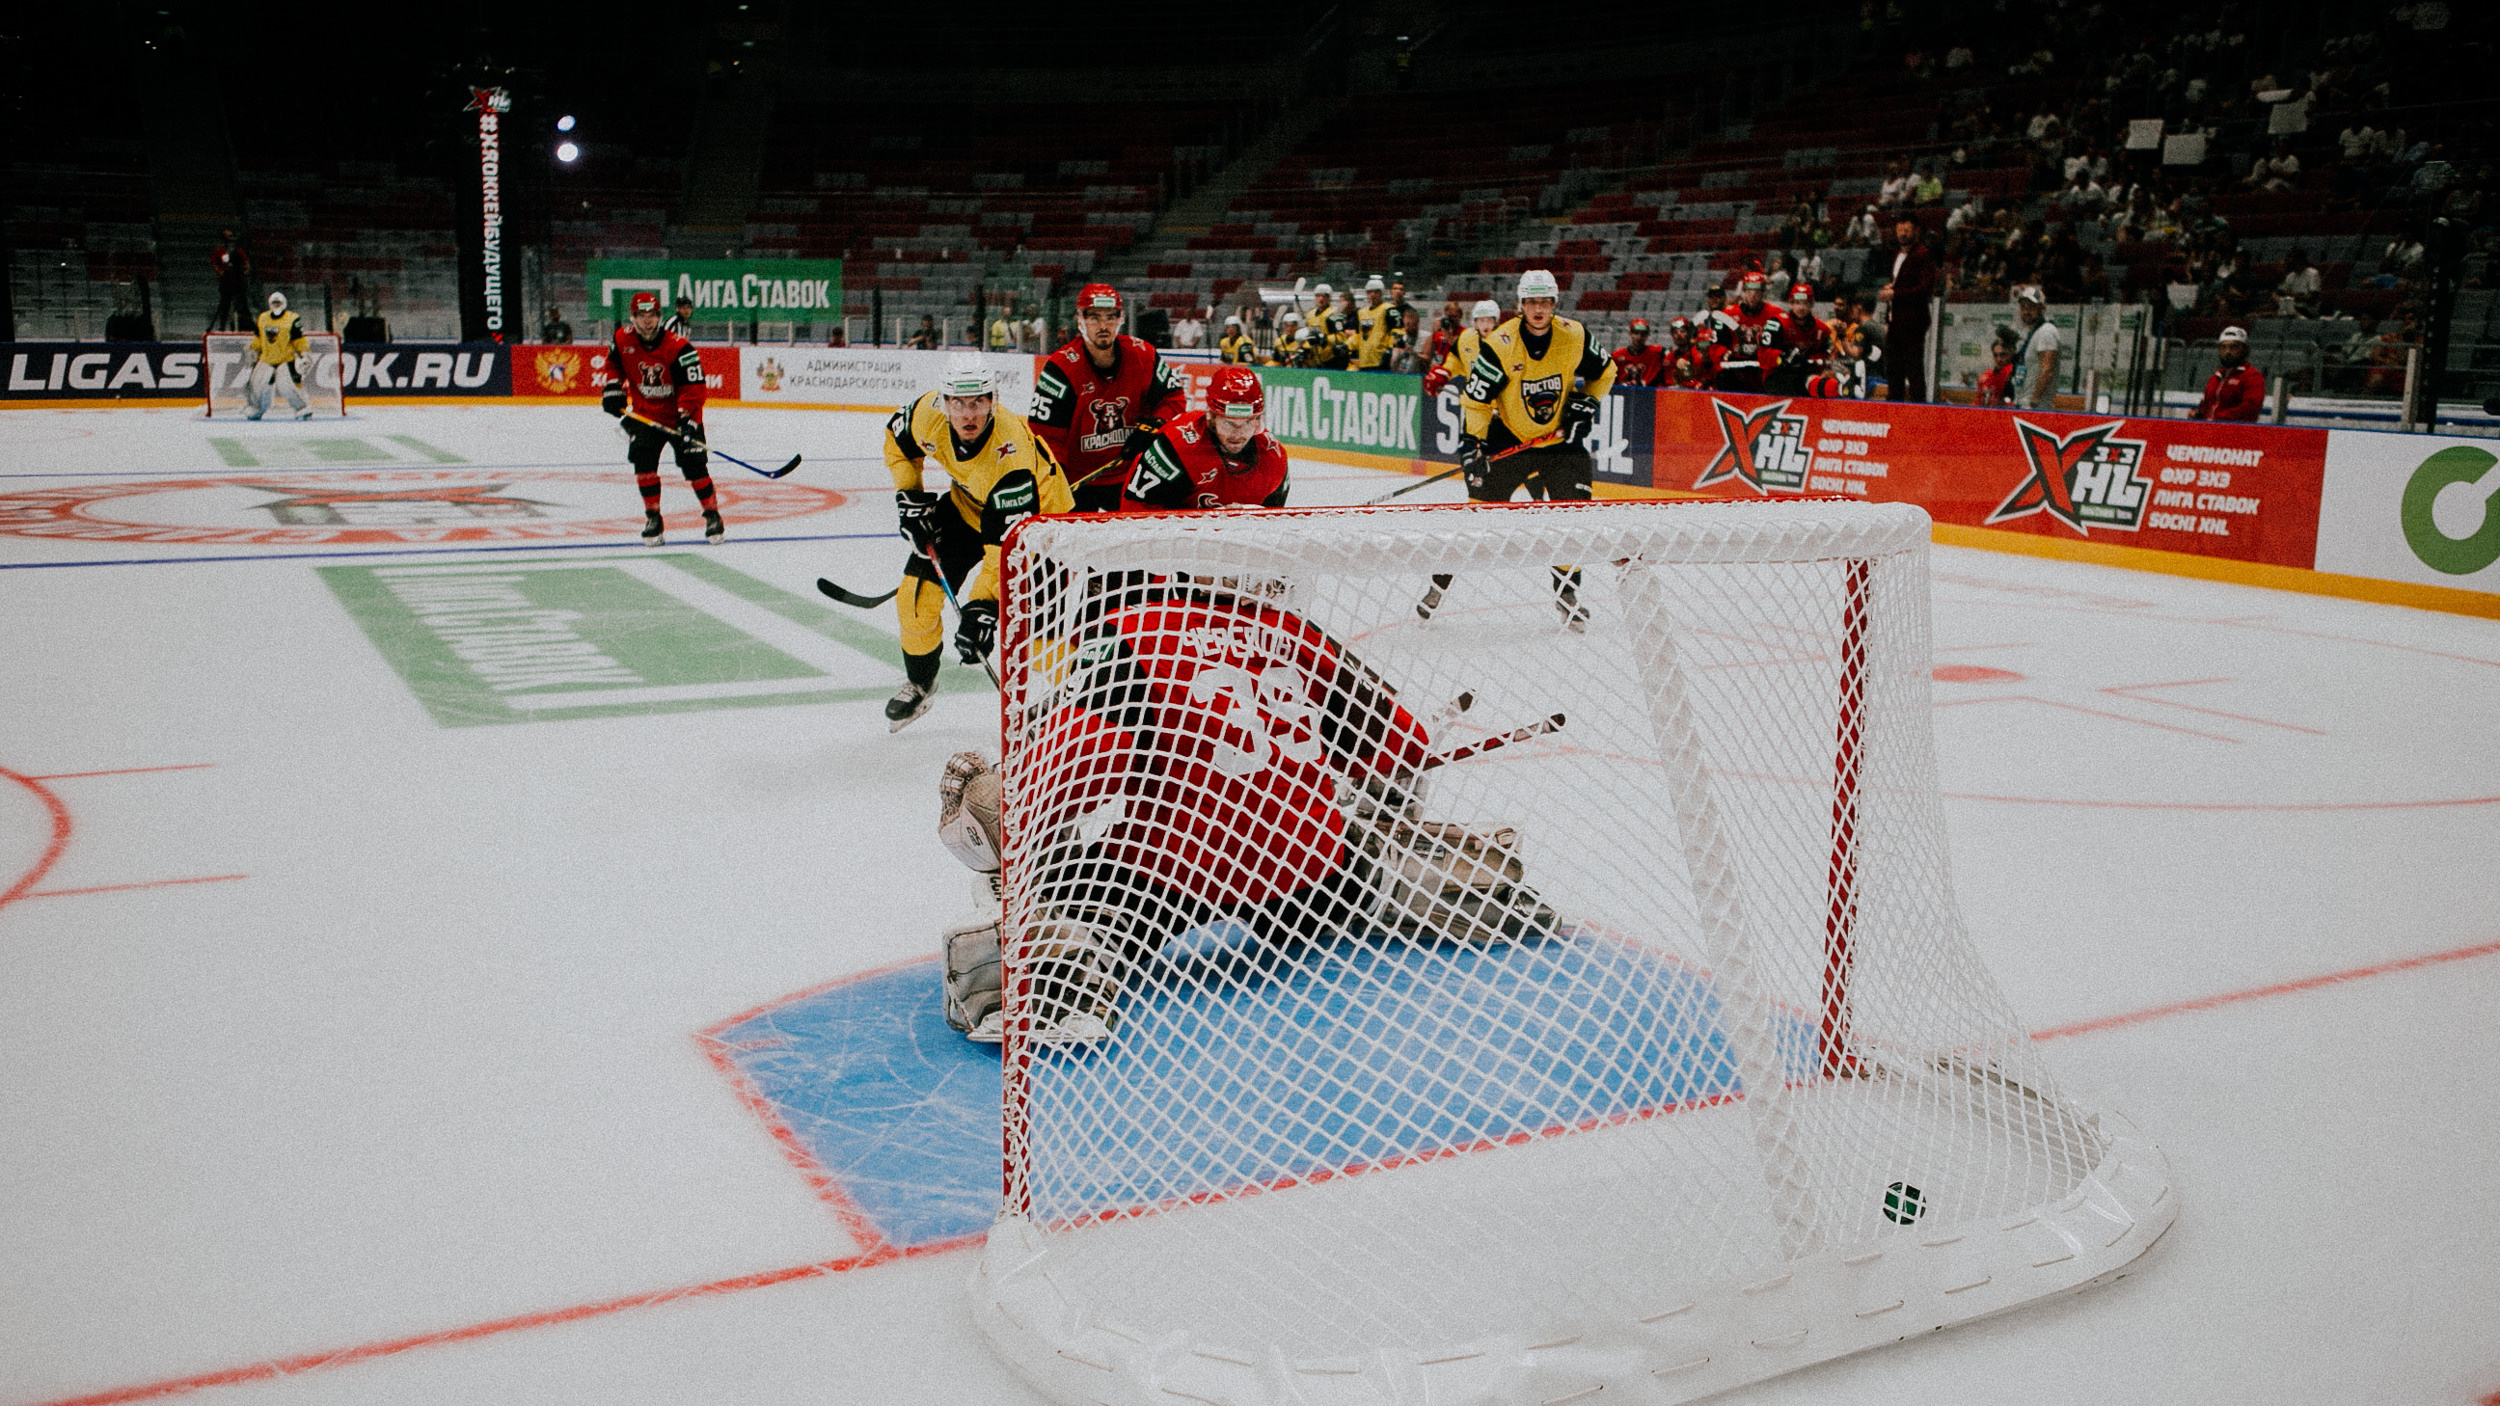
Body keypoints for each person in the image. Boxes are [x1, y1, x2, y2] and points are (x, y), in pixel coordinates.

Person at [927, 591, 1543, 1043]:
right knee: (1347, 837)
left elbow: (1082, 771)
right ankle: (1431, 878)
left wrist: (996, 801)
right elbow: (1401, 746)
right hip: (1312, 872)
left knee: (1061, 873)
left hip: (1185, 869)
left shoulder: (1130, 629)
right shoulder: (1294, 629)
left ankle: (1061, 968)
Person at [881, 357, 1076, 731]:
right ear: (944, 401)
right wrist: (910, 497)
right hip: (969, 506)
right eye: (958, 403)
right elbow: (898, 442)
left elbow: (1005, 550)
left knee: (1033, 633)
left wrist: (984, 605)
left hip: (1042, 528)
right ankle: (921, 681)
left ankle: (1086, 697)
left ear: (993, 400)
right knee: (915, 599)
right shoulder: (928, 416)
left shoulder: (1011, 458)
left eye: (979, 402)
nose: (968, 414)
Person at [1435, 268, 1617, 631]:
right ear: (1520, 305)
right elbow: (1475, 401)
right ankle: (1438, 584)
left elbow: (1606, 371)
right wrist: (1473, 443)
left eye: (1545, 301)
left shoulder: (1573, 335)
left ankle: (1567, 592)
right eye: (1532, 301)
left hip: (1560, 444)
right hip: (1510, 440)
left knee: (1571, 517)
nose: (1539, 308)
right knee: (1478, 519)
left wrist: (1588, 404)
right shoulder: (1501, 344)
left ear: (1554, 304)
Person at [1029, 283, 1189, 514]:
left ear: (1120, 319)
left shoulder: (1143, 355)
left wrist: (1154, 425)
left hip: (1132, 477)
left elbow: (1173, 398)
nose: (1103, 326)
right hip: (1078, 482)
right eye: (1094, 318)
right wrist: (1057, 482)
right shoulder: (1061, 367)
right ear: (1080, 321)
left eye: (1110, 317)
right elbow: (1045, 435)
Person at [600, 291, 723, 547]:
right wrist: (614, 388)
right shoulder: (622, 339)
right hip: (646, 416)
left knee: (694, 466)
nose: (647, 321)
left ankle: (712, 514)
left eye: (652, 315)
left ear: (659, 316)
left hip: (680, 416)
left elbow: (695, 387)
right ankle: (653, 518)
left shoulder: (679, 347)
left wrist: (688, 419)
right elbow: (614, 364)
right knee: (643, 463)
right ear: (632, 317)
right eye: (641, 316)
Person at [1119, 365, 1290, 512]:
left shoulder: (1274, 458)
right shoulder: (1178, 446)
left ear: (1258, 420)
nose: (1238, 434)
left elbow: (1272, 524)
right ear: (1212, 418)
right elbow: (1136, 512)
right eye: (1229, 423)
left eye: (1247, 422)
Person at [1706, 271, 1796, 394]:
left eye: (1757, 291)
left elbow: (1786, 341)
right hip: (1737, 367)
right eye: (1749, 291)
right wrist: (1728, 355)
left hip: (1764, 368)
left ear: (1763, 291)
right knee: (1722, 375)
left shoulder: (1776, 313)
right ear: (1744, 291)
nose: (1753, 295)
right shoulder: (1728, 314)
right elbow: (1715, 347)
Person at [1879, 217, 1939, 401]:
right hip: (1896, 319)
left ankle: (1919, 411)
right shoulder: (1898, 254)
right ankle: (1894, 407)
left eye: (1907, 230)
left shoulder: (1923, 254)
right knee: (1893, 369)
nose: (1903, 234)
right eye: (1899, 230)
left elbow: (1924, 289)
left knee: (1913, 370)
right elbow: (1903, 282)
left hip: (1913, 321)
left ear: (1916, 231)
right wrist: (1892, 287)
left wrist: (1895, 293)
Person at [244, 290, 312, 421]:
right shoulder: (263, 318)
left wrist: (305, 354)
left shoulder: (292, 318)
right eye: (274, 303)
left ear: (284, 303)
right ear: (270, 304)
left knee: (287, 386)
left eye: (278, 303)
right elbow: (258, 338)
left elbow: (299, 339)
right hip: (266, 358)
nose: (276, 305)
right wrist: (253, 349)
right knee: (256, 384)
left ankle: (303, 408)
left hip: (285, 359)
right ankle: (256, 409)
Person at [1424, 299, 1502, 396]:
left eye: (1489, 320)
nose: (1485, 325)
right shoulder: (1466, 338)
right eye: (1481, 320)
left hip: (1501, 401)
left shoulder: (1506, 342)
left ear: (1496, 322)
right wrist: (1442, 373)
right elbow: (1456, 361)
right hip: (1475, 402)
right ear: (1475, 322)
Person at [1764, 283, 1830, 396]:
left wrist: (1808, 360)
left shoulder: (1822, 329)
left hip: (1804, 374)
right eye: (1797, 303)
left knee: (1825, 385)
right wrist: (1782, 357)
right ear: (1791, 304)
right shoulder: (1777, 323)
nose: (1801, 307)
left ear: (1811, 304)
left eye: (1805, 303)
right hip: (1777, 375)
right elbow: (1763, 353)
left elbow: (1824, 355)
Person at [2192, 326, 2265, 421]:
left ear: (2244, 349)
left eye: (2233, 347)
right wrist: (2197, 414)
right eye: (2223, 347)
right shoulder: (2215, 377)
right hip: (2210, 430)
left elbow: (2250, 408)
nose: (2227, 352)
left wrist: (2218, 418)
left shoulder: (2252, 377)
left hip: (2236, 431)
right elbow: (2206, 405)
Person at [2009, 287, 2061, 409]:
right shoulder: (2033, 332)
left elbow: (2047, 370)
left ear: (2042, 308)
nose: (2026, 312)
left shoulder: (2047, 331)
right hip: (2024, 404)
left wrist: (2033, 403)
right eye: (2023, 307)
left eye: (2031, 307)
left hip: (2036, 408)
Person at [209, 230, 253, 333]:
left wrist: (243, 273)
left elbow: (246, 265)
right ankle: (222, 327)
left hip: (238, 282)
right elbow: (214, 263)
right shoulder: (219, 250)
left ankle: (245, 326)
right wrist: (221, 272)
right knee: (225, 305)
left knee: (242, 305)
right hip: (226, 283)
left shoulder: (238, 251)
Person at [1609, 317, 1668, 386]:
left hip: (1649, 393)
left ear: (1647, 335)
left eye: (1643, 334)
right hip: (1623, 393)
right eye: (1636, 333)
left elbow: (1671, 357)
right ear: (1630, 333)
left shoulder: (1657, 352)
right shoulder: (1617, 355)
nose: (1639, 337)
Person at [1663, 316, 1716, 388]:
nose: (1678, 335)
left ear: (1689, 333)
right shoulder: (1669, 358)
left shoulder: (1701, 351)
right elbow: (1670, 385)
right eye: (1675, 332)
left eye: (1682, 331)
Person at [1976, 325, 2020, 406]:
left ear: (2011, 353)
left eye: (2003, 355)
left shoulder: (2014, 371)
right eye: (1995, 355)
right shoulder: (1985, 376)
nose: (1999, 359)